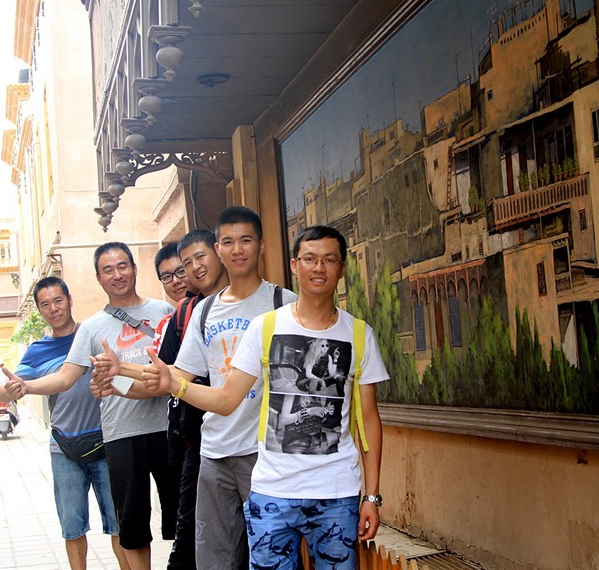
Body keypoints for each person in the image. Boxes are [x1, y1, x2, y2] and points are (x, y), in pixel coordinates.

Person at [141, 225, 388, 569]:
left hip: (336, 493)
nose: (319, 268)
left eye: (329, 260)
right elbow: (227, 399)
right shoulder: (266, 327)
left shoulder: (359, 335)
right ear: (294, 265)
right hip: (273, 493)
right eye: (310, 259)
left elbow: (370, 421)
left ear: (342, 268)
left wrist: (371, 496)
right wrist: (175, 385)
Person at [94, 207, 296, 570]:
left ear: (261, 245)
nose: (237, 250)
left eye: (246, 240)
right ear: (220, 248)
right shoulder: (203, 312)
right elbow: (176, 375)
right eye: (228, 242)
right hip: (214, 450)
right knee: (213, 558)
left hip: (267, 453)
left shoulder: (285, 305)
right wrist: (120, 369)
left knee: (273, 555)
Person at [4, 243, 176, 570]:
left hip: (168, 429)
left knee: (182, 515)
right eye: (108, 270)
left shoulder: (163, 312)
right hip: (121, 435)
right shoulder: (92, 328)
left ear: (134, 268)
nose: (117, 274)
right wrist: (27, 386)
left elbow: (178, 369)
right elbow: (66, 377)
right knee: (132, 527)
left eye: (122, 266)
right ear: (98, 278)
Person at [0, 277, 127, 570]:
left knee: (119, 524)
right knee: (72, 528)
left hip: (106, 442)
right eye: (45, 304)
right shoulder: (38, 351)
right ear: (39, 310)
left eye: (58, 300)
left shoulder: (92, 335)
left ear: (70, 300)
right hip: (64, 448)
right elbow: (12, 390)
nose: (53, 309)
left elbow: (120, 378)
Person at [157, 229, 228, 570]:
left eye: (200, 257)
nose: (194, 268)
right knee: (191, 531)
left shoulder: (269, 303)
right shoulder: (188, 312)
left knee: (257, 533)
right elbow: (169, 374)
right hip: (199, 439)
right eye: (187, 263)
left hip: (255, 439)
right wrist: (120, 375)